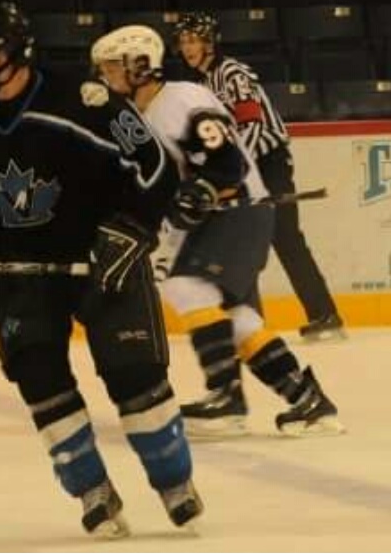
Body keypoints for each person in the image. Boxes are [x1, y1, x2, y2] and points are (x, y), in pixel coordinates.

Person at [0, 2, 203, 538]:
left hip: (100, 256)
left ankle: (173, 479)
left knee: (133, 372)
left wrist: (133, 227)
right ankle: (92, 489)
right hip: (23, 266)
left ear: (14, 59)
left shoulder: (84, 101)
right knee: (37, 374)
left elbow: (154, 168)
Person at [88, 24, 344, 438]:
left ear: (140, 65)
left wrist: (202, 190)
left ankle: (226, 396)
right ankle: (306, 399)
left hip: (237, 210)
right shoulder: (144, 116)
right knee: (236, 316)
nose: (106, 74)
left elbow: (227, 163)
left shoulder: (181, 99)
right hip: (219, 218)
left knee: (186, 288)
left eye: (112, 66)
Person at [171, 12, 344, 341]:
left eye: (193, 40)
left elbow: (252, 121)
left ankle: (325, 314)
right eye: (183, 41)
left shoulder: (232, 72)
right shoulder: (202, 86)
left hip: (268, 163)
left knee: (287, 238)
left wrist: (234, 170)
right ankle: (252, 321)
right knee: (240, 243)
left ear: (210, 42)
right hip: (243, 168)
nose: (188, 47)